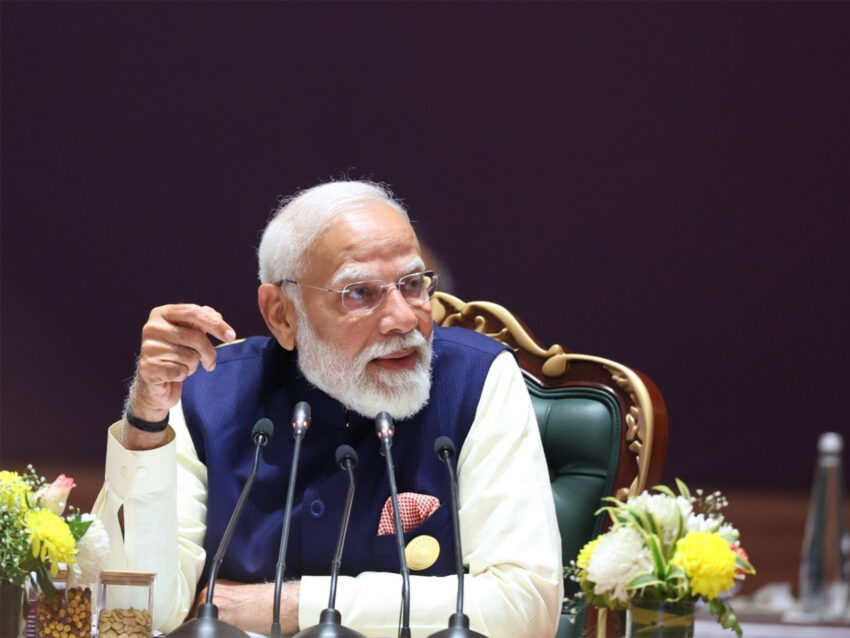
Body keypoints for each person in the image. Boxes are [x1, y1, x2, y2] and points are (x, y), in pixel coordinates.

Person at [92, 180, 563, 638]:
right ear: (282, 314)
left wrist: (292, 605)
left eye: (413, 284)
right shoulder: (208, 392)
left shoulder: (477, 380)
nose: (404, 319)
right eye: (359, 292)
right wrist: (146, 422)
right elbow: (138, 612)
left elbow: (525, 607)